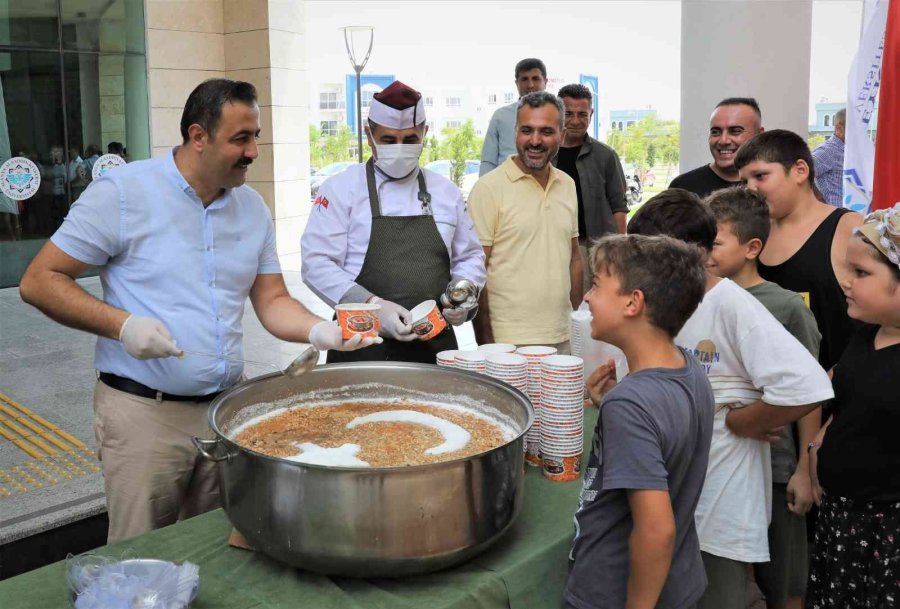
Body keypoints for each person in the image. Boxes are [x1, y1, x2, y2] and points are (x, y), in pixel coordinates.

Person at [19, 78, 374, 543]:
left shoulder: (252, 209)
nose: (253, 152)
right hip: (145, 415)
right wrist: (123, 326)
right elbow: (39, 280)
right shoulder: (123, 194)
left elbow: (271, 300)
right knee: (140, 556)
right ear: (198, 136)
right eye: (240, 139)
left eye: (256, 136)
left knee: (218, 546)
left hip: (227, 413)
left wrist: (320, 331)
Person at [626, 189, 833, 609]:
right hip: (669, 494)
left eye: (647, 256)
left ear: (688, 256)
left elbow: (807, 386)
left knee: (716, 592)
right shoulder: (659, 304)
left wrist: (746, 421)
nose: (638, 266)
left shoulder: (730, 303)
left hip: (721, 500)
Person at [565, 233, 713, 609]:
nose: (586, 297)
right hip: (680, 584)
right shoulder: (688, 366)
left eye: (597, 286)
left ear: (633, 302)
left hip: (616, 593)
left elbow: (657, 529)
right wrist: (614, 402)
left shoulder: (631, 404)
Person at [301, 80, 486, 364]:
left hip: (435, 349)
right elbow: (316, 263)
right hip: (359, 347)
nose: (400, 148)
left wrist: (462, 297)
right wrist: (372, 306)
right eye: (388, 140)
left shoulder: (445, 192)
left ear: (424, 133)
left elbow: (470, 256)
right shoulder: (340, 190)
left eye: (410, 139)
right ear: (369, 135)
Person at [707, 187, 822, 609]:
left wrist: (805, 471)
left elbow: (810, 394)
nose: (703, 252)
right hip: (724, 468)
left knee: (783, 577)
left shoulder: (787, 307)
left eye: (714, 243)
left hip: (776, 469)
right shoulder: (701, 300)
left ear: (752, 247)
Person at [807, 204, 900, 609]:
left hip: (886, 532)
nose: (845, 282)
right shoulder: (865, 335)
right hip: (841, 517)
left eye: (861, 274)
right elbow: (845, 406)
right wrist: (812, 454)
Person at [735, 129, 864, 371]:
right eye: (744, 181)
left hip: (835, 388)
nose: (750, 189)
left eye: (760, 176)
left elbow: (881, 316)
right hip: (768, 386)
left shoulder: (849, 228)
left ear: (800, 171)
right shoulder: (752, 235)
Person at [468, 91, 582, 351]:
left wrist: (576, 321)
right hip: (508, 341)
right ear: (515, 132)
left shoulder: (567, 185)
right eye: (526, 130)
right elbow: (475, 271)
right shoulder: (488, 189)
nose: (535, 140)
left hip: (563, 334)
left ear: (562, 135)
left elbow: (574, 257)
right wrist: (486, 342)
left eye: (546, 131)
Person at [553, 83, 628, 294]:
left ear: (591, 114)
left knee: (591, 309)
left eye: (582, 114)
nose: (576, 121)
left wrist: (619, 250)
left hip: (595, 248)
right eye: (569, 114)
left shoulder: (606, 156)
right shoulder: (547, 156)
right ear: (559, 114)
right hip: (555, 246)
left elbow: (618, 207)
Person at [670, 97, 764, 198]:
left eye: (735, 131)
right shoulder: (683, 188)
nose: (723, 141)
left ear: (759, 134)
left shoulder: (771, 188)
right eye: (715, 132)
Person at [479, 58, 547, 176]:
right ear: (517, 83)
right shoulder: (501, 116)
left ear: (545, 81)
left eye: (535, 79)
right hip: (506, 188)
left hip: (545, 187)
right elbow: (488, 161)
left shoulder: (558, 116)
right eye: (524, 79)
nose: (530, 85)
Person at [811, 108, 845, 207]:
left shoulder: (847, 151)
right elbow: (801, 172)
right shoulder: (829, 151)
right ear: (839, 128)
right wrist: (817, 196)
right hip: (833, 217)